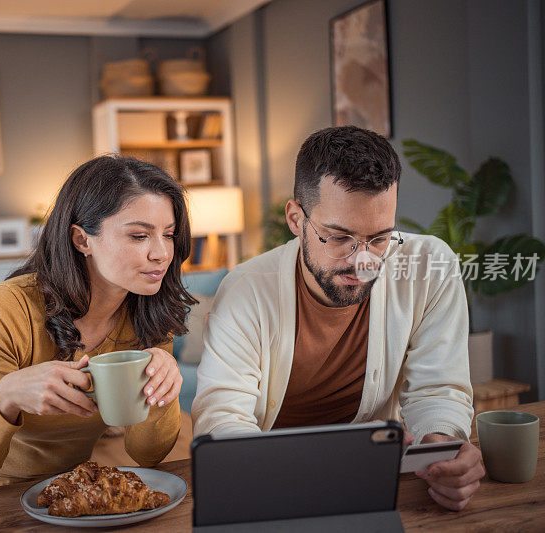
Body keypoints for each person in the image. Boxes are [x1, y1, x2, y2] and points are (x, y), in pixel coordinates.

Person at [192, 126, 485, 511]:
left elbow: (438, 390)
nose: (362, 260)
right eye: (339, 236)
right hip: (271, 489)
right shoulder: (246, 290)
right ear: (296, 220)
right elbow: (221, 416)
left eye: (379, 238)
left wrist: (440, 446)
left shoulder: (431, 267)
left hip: (378, 484)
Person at [0, 155, 194, 497]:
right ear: (82, 240)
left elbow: (148, 454)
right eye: (139, 236)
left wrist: (161, 392)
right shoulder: (6, 308)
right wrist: (7, 395)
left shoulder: (149, 312)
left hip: (71, 496)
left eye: (169, 235)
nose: (162, 253)